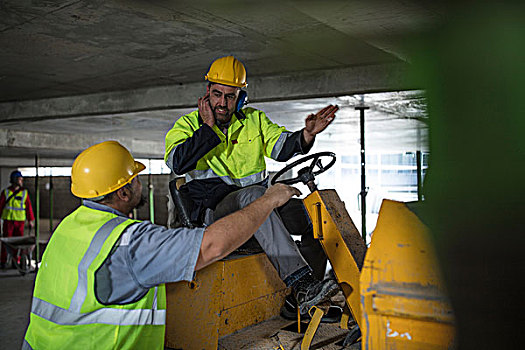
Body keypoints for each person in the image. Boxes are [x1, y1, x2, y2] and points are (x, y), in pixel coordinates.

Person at [22, 140, 300, 349]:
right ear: (123, 191)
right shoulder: (131, 242)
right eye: (136, 178)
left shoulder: (68, 227)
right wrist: (267, 200)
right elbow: (210, 246)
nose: (140, 183)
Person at [164, 56, 340, 315]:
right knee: (257, 196)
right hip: (217, 214)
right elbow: (177, 163)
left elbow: (281, 147)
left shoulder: (254, 121)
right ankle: (301, 284)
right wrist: (208, 130)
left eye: (230, 96)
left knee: (314, 219)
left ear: (241, 97)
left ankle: (302, 300)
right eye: (217, 94)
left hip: (258, 206)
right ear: (206, 94)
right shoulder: (188, 125)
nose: (222, 103)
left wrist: (307, 135)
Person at [0, 170, 35, 269]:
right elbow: (1, 206)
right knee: (6, 243)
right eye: (19, 179)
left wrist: (30, 220)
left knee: (19, 243)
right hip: (8, 221)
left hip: (20, 222)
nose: (21, 181)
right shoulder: (6, 192)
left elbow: (28, 207)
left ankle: (16, 261)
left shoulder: (24, 193)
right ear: (14, 180)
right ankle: (3, 261)